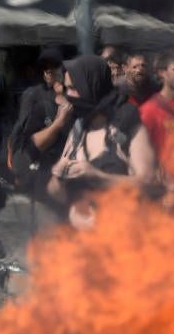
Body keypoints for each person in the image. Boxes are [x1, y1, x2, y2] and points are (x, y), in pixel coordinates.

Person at [47, 55, 156, 230]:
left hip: (122, 243)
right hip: (81, 246)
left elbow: (147, 183)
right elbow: (58, 195)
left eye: (73, 88)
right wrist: (57, 178)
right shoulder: (78, 127)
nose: (69, 95)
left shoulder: (125, 122)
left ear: (92, 86)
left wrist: (98, 176)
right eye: (67, 89)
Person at [9, 48, 73, 230]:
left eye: (53, 65)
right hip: (41, 171)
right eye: (44, 66)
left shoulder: (73, 93)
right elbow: (24, 139)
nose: (48, 70)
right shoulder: (34, 95)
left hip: (70, 171)